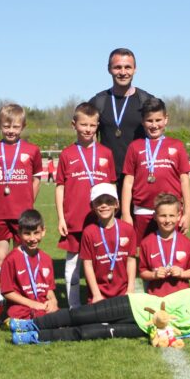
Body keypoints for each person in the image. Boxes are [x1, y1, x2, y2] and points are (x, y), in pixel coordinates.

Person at [7, 274, 190, 344]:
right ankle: (32, 324)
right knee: (78, 315)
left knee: (88, 333)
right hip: (133, 305)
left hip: (140, 328)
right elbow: (162, 310)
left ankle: (34, 337)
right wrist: (161, 326)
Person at [55, 102, 117, 308]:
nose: (88, 129)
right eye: (83, 124)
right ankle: (74, 307)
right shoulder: (67, 154)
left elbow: (111, 185)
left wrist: (113, 214)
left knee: (102, 262)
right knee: (73, 264)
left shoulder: (106, 153)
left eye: (92, 125)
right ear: (74, 125)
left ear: (97, 125)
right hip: (75, 219)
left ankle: (100, 303)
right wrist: (61, 218)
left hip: (101, 220)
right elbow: (60, 187)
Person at [0, 103, 43, 284]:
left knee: (19, 254)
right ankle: (0, 293)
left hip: (22, 213)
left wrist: (29, 200)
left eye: (16, 127)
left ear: (23, 126)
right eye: (7, 126)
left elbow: (37, 178)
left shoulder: (32, 150)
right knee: (0, 256)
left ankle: (18, 289)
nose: (11, 131)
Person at [120, 96, 190, 237]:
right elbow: (128, 182)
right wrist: (126, 213)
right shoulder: (135, 147)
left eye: (158, 120)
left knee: (169, 250)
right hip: (142, 211)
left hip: (170, 213)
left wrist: (188, 212)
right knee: (142, 250)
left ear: (166, 119)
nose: (154, 125)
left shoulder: (177, 146)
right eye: (149, 120)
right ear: (143, 121)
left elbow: (184, 181)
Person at [88, 48, 153, 197]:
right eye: (117, 67)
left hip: (139, 178)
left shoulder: (147, 101)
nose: (123, 72)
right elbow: (90, 139)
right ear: (109, 69)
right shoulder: (98, 102)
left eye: (127, 67)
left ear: (135, 69)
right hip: (106, 178)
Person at [80, 182, 137, 304]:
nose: (104, 205)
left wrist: (130, 289)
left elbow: (131, 261)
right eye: (99, 202)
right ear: (92, 206)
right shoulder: (89, 232)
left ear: (117, 204)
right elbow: (87, 264)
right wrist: (96, 294)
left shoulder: (127, 229)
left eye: (109, 201)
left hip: (123, 293)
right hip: (99, 295)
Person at [0, 209, 58, 321]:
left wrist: (53, 301)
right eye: (27, 234)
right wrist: (33, 304)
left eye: (36, 233)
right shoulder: (11, 259)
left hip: (42, 306)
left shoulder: (46, 259)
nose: (32, 238)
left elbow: (49, 289)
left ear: (43, 231)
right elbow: (7, 292)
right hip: (21, 308)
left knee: (62, 319)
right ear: (19, 233)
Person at [137, 193, 190, 297]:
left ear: (179, 216)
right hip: (156, 297)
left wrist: (182, 273)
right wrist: (154, 275)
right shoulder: (146, 243)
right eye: (163, 216)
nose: (167, 220)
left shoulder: (186, 242)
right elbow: (142, 272)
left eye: (171, 216)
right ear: (155, 216)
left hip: (181, 297)